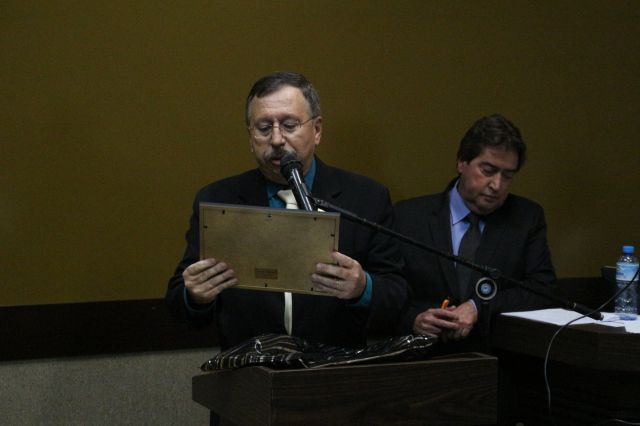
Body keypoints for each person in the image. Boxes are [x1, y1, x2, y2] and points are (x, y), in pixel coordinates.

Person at [166, 71, 408, 351]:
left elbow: (397, 297)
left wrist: (362, 287)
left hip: (335, 366)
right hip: (250, 368)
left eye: (289, 125)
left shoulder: (365, 197)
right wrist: (195, 296)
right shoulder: (218, 199)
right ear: (250, 136)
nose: (277, 139)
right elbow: (178, 304)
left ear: (317, 130)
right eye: (264, 128)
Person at [393, 114, 556, 352]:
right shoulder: (408, 217)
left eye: (507, 176)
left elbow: (543, 289)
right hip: (422, 357)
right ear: (462, 162)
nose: (497, 185)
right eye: (488, 170)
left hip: (496, 357)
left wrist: (478, 306)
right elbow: (387, 289)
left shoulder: (526, 218)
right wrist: (413, 320)